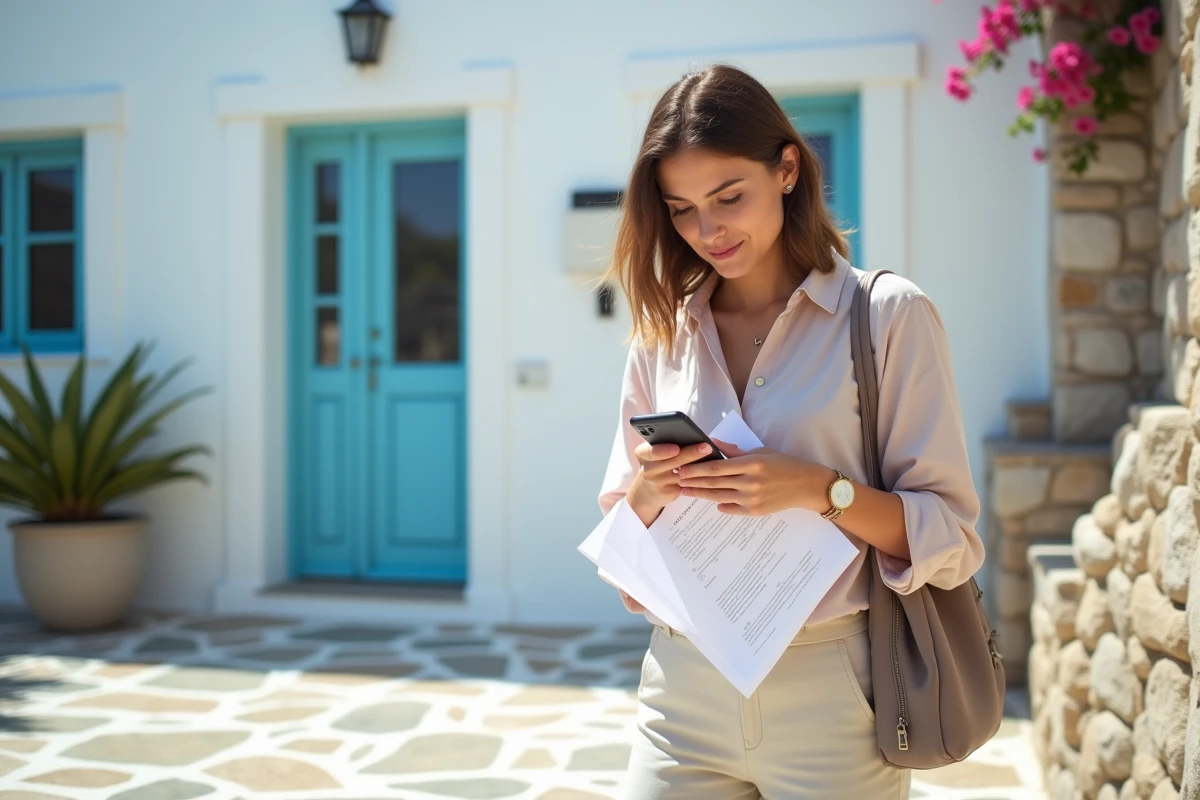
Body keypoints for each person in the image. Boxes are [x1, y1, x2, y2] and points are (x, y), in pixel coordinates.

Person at [596, 63, 985, 799]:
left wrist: (818, 490)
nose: (707, 231)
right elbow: (622, 541)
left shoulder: (889, 316)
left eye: (727, 198)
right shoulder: (662, 334)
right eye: (680, 209)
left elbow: (952, 535)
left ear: (786, 169)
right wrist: (650, 489)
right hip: (681, 689)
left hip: (833, 691)